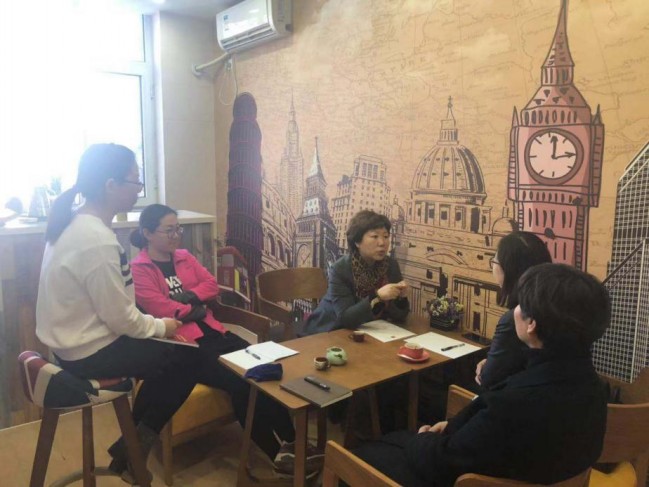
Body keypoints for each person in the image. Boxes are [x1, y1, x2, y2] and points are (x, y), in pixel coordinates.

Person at [351, 263, 610, 487]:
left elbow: (443, 464)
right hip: (526, 469)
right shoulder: (594, 389)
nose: (515, 309)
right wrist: (453, 427)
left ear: (532, 324)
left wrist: (425, 438)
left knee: (358, 455)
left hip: (453, 474)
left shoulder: (513, 404)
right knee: (394, 439)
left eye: (520, 304)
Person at [35, 144, 199, 482]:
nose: (139, 189)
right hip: (87, 353)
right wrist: (164, 326)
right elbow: (122, 319)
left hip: (66, 347)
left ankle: (129, 451)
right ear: (111, 185)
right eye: (135, 181)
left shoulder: (71, 224)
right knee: (186, 358)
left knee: (167, 360)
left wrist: (154, 326)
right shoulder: (96, 239)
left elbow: (116, 309)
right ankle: (130, 453)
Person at [128, 204, 322, 478]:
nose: (176, 236)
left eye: (178, 229)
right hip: (187, 347)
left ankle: (293, 444)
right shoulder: (139, 269)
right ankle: (278, 455)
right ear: (147, 233)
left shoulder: (184, 257)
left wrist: (191, 298)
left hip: (215, 332)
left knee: (266, 371)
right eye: (169, 230)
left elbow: (211, 285)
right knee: (243, 384)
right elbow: (161, 309)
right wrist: (194, 308)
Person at [301, 209, 409, 336]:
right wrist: (378, 297)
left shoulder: (391, 265)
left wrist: (401, 298)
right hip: (329, 331)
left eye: (385, 236)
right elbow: (346, 319)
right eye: (375, 236)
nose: (382, 243)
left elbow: (399, 316)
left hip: (370, 332)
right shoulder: (341, 269)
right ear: (357, 241)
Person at [475, 231, 552, 389]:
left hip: (518, 397)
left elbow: (489, 379)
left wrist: (488, 367)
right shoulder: (556, 309)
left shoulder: (515, 319)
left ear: (509, 269)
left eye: (494, 261)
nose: (493, 267)